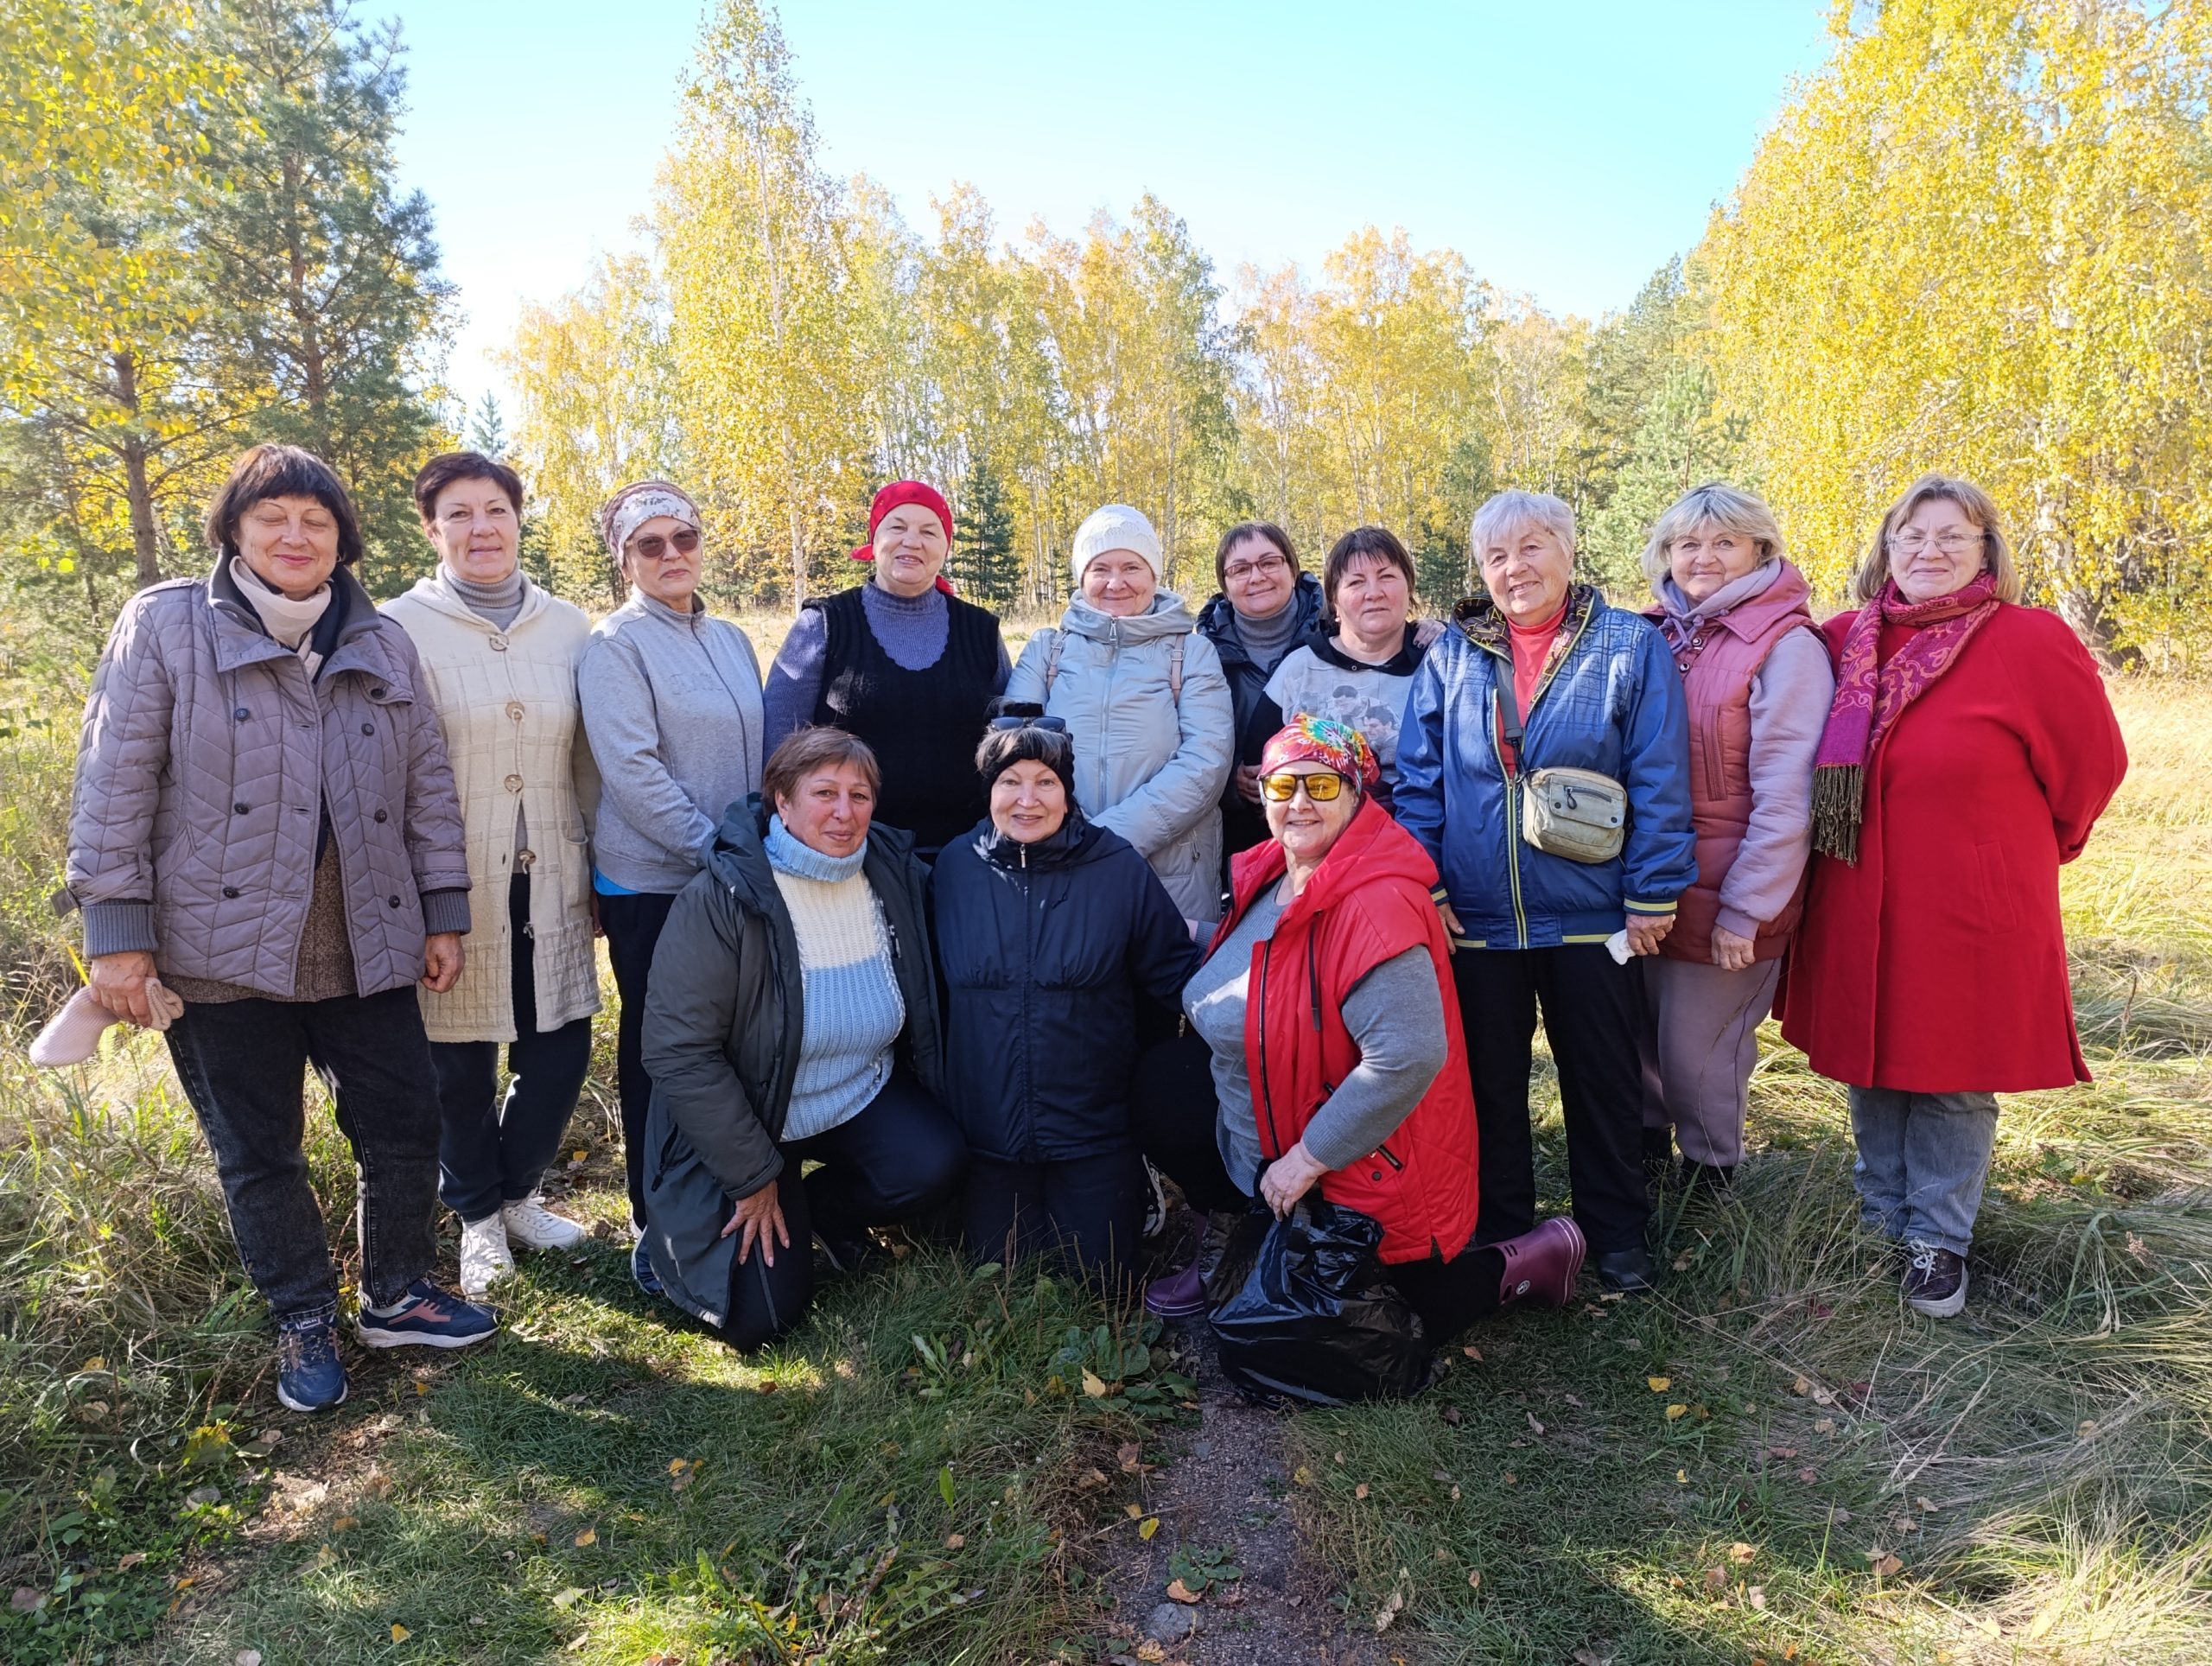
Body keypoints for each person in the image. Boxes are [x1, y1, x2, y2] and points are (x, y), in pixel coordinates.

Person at [64, 443, 494, 1415]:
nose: (295, 536)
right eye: (274, 518)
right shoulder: (167, 625)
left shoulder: (380, 642)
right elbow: (114, 780)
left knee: (404, 1120)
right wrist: (117, 931)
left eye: (316, 520)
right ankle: (302, 1313)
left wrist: (442, 909)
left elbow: (427, 783)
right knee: (259, 1148)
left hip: (365, 938)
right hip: (218, 955)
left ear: (342, 538)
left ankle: (396, 1290)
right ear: (235, 530)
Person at [1777, 474, 2126, 1318]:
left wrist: (2030, 848)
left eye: (1952, 536)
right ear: (1885, 549)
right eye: (1912, 536)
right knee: (1871, 1060)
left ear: (1986, 551)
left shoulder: (2026, 640)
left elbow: (2093, 763)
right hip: (1859, 895)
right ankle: (1882, 1218)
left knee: (1951, 1073)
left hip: (1972, 904)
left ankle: (1938, 1240)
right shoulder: (1841, 640)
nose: (1928, 551)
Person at [1137, 716, 1585, 1340]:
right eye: (1282, 785)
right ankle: (1232, 1242)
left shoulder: (1376, 903)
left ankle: (1523, 1262)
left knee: (1363, 1328)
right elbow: (1277, 963)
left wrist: (1305, 1161)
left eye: (1321, 787)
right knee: (1163, 1084)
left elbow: (1406, 1056)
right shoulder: (1271, 872)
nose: (1298, 802)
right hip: (1272, 1130)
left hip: (1360, 1160)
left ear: (1356, 794)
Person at [1396, 489, 1697, 1294]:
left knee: (1600, 1077)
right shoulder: (1452, 656)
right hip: (1480, 918)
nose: (1514, 568)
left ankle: (1616, 1232)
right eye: (1496, 556)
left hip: (1594, 914)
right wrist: (1426, 884)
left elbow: (1662, 776)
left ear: (1568, 550)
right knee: (1490, 1082)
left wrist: (1653, 892)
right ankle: (1504, 1232)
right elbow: (1419, 783)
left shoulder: (1630, 648)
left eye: (1531, 548)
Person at [635, 728, 969, 1349]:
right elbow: (679, 1052)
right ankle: (665, 1244)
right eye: (824, 793)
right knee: (759, 1321)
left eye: (860, 795)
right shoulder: (723, 898)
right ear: (781, 803)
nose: (845, 813)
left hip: (853, 1091)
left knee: (933, 1164)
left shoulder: (892, 872)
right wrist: (752, 1175)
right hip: (754, 1118)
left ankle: (819, 1212)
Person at [385, 451, 600, 1299]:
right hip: (450, 875)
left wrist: (598, 866)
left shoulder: (571, 626)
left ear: (519, 519)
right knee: (458, 1060)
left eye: (496, 510)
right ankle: (478, 1218)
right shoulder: (397, 625)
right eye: (460, 514)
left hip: (553, 866)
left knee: (560, 1045)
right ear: (433, 529)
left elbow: (588, 759)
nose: (481, 528)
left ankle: (518, 1193)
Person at [932, 707, 1200, 1281]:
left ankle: (1136, 1183)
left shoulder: (1117, 868)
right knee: (1000, 1283)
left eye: (1045, 782)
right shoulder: (954, 868)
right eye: (1010, 781)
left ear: (1067, 792)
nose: (1027, 799)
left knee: (1099, 1283)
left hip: (1093, 1135)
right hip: (988, 1137)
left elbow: (1176, 978)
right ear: (989, 790)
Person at [578, 479, 766, 1295]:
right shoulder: (614, 647)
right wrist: (714, 849)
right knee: (663, 1050)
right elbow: (633, 773)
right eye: (649, 546)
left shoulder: (728, 638)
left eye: (682, 539)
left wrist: (756, 848)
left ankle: (726, 1189)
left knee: (728, 1043)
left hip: (732, 873)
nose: (671, 557)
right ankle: (652, 1222)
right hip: (654, 881)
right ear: (625, 559)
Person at [1634, 483, 1834, 1196]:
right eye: (1688, 544)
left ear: (1760, 549)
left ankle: (1712, 1183)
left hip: (1731, 894)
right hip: (1647, 891)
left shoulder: (1787, 647)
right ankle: (1649, 1172)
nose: (1704, 558)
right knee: (1642, 1045)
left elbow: (1790, 796)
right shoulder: (1652, 634)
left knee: (1700, 1058)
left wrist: (1747, 908)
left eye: (1724, 542)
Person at [1004, 504, 1234, 924]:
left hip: (1170, 880)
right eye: (1100, 568)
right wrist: (1067, 835)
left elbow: (1207, 762)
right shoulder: (1045, 650)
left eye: (1132, 566)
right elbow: (1016, 755)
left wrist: (1104, 841)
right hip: (1060, 865)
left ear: (1153, 575)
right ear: (1081, 577)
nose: (1116, 582)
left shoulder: (1191, 652)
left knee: (1166, 985)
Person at [763, 480, 1011, 858]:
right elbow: (779, 748)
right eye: (897, 527)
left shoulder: (981, 632)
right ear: (874, 538)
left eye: (929, 531)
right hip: (849, 857)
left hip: (966, 856)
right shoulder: (825, 625)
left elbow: (1008, 741)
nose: (912, 541)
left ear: (945, 548)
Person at [1254, 525, 1435, 811]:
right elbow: (1258, 775)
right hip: (1320, 842)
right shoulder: (1299, 670)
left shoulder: (1441, 665)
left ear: (1409, 587)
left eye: (1387, 576)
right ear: (1334, 601)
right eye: (1356, 582)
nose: (1373, 593)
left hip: (1420, 839)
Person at [1197, 521, 1326, 861]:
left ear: (1292, 568)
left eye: (1269, 562)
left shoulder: (1335, 632)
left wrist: (1422, 634)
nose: (1256, 577)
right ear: (1224, 585)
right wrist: (1231, 782)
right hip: (1239, 836)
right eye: (1240, 569)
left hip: (1330, 823)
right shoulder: (1201, 655)